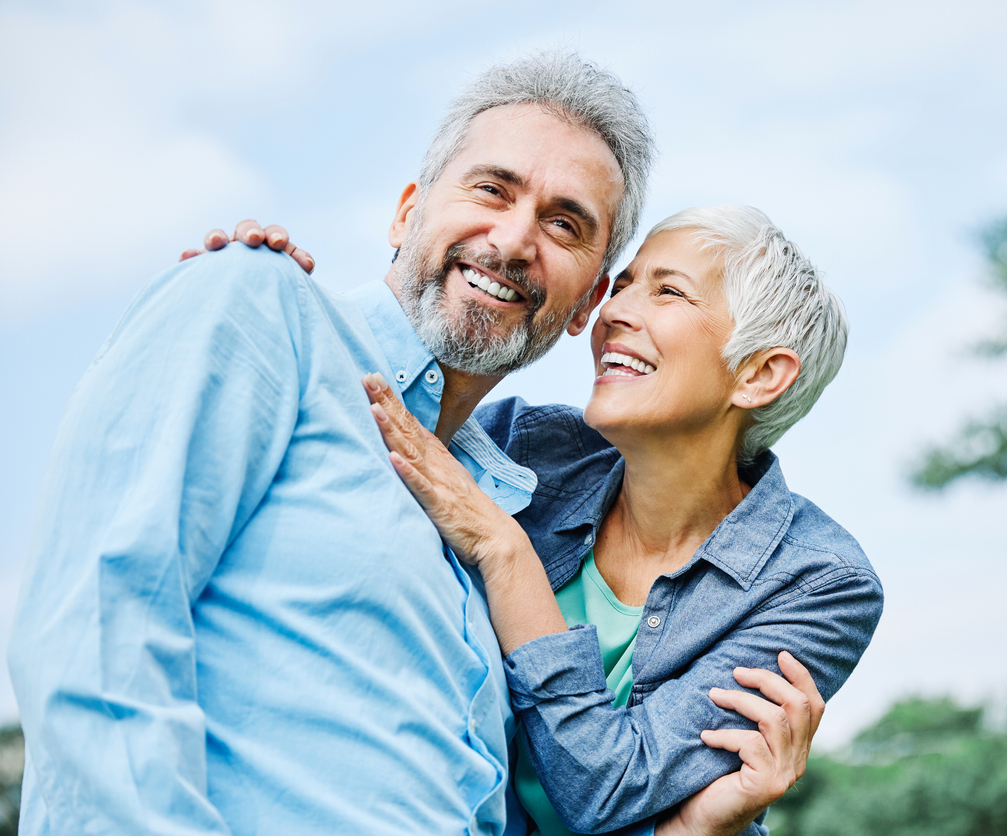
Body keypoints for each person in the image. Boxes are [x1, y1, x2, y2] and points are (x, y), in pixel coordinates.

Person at [10, 52, 756, 836]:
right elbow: (99, 625)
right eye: (491, 189)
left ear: (586, 305)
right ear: (406, 214)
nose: (512, 240)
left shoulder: (498, 526)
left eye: (564, 223)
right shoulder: (260, 306)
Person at [219, 205, 884, 836]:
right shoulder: (521, 445)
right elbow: (343, 439)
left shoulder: (819, 583)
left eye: (667, 293)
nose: (615, 310)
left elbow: (603, 789)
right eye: (622, 284)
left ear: (761, 375)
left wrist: (505, 552)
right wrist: (255, 304)